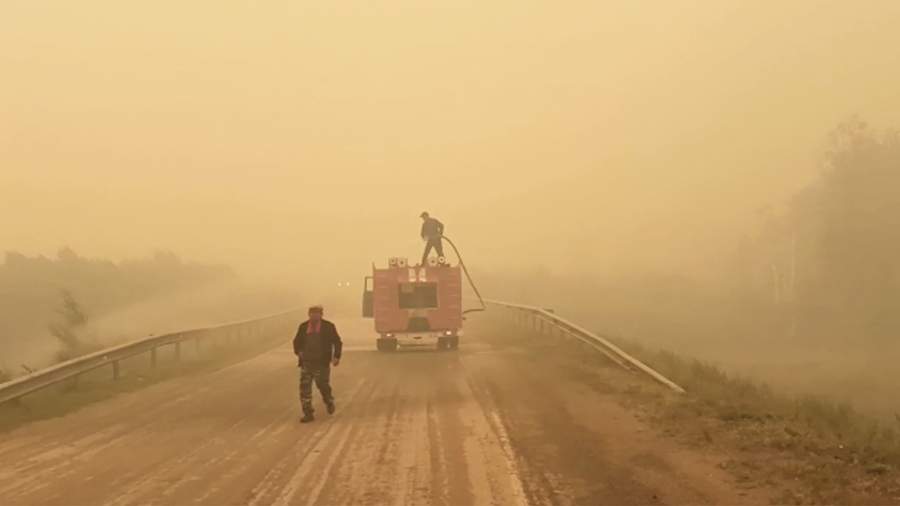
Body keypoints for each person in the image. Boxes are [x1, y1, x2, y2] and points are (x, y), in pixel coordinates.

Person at [292, 304, 342, 423]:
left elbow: (337, 342)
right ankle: (308, 413)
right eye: (312, 313)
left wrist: (336, 357)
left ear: (321, 315)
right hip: (306, 363)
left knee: (322, 385)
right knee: (305, 389)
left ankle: (328, 401)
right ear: (309, 315)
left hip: (322, 363)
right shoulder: (303, 327)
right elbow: (296, 342)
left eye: (317, 313)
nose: (314, 316)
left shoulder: (328, 327)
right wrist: (299, 352)